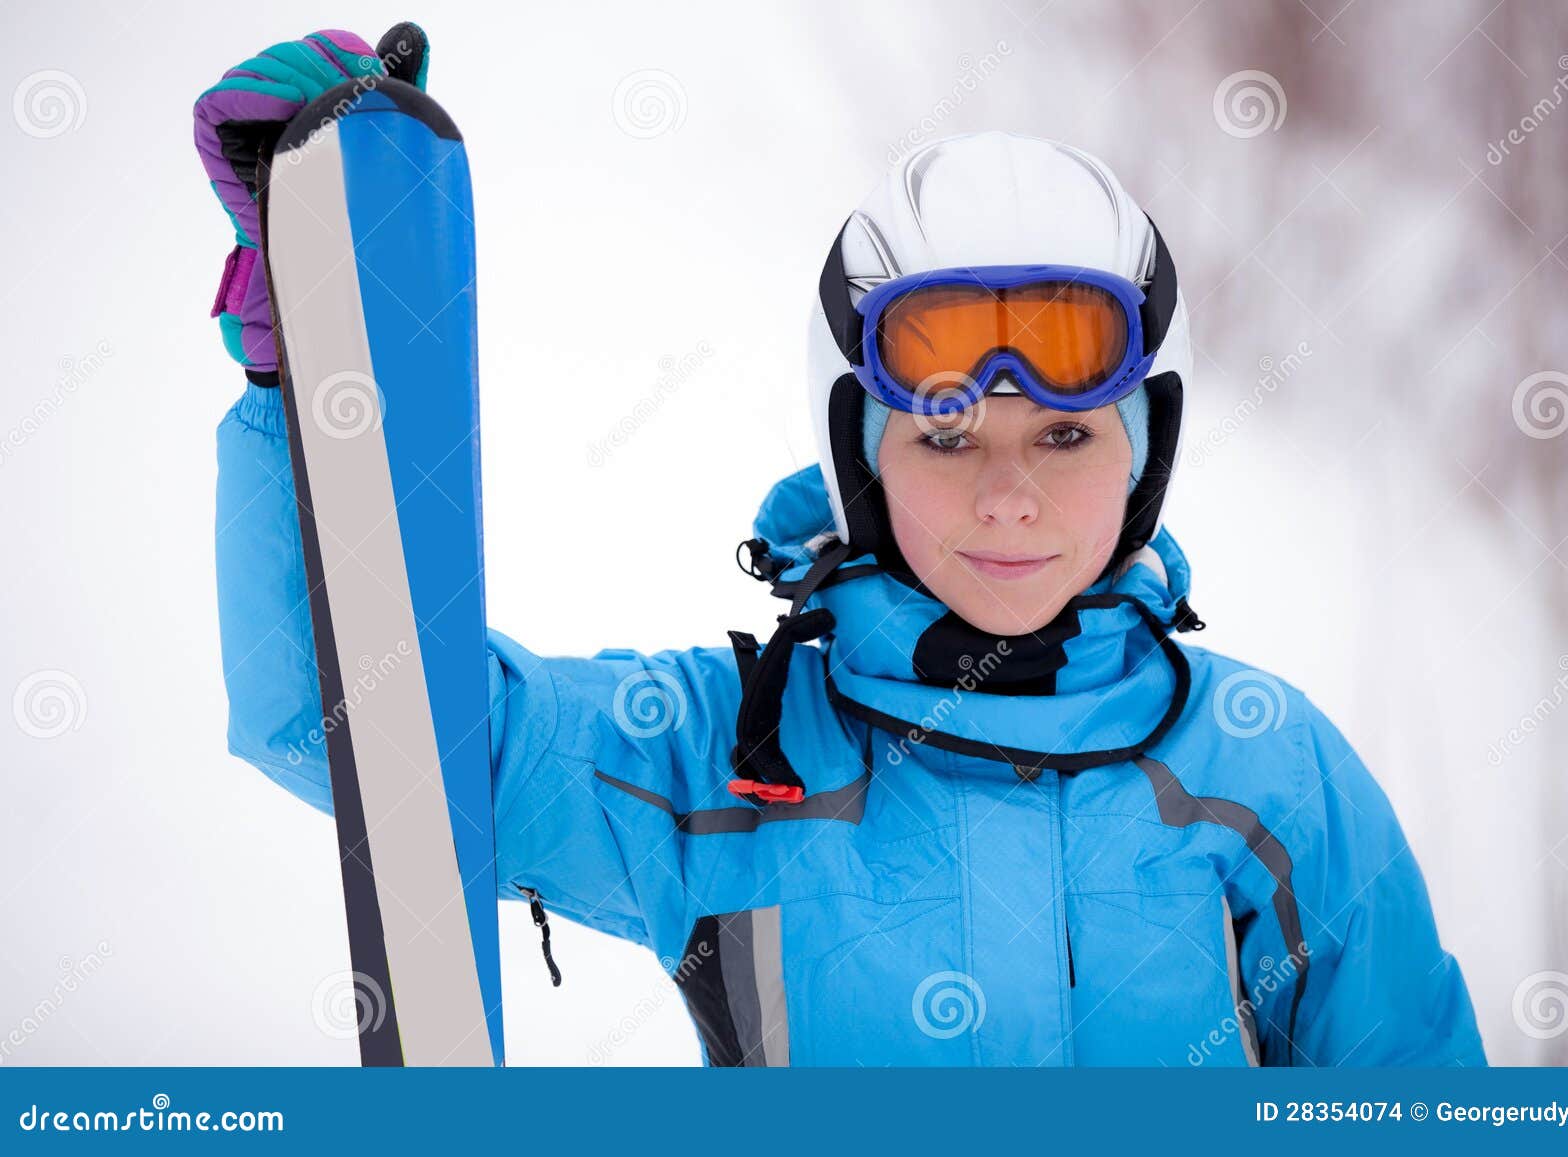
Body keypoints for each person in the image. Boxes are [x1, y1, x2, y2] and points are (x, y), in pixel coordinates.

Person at [197, 27, 1487, 1067]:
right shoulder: (715, 756)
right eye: (943, 442)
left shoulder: (1269, 767)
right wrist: (306, 387)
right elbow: (355, 724)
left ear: (1146, 453)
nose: (1007, 502)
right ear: (854, 462)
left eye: (1063, 442)